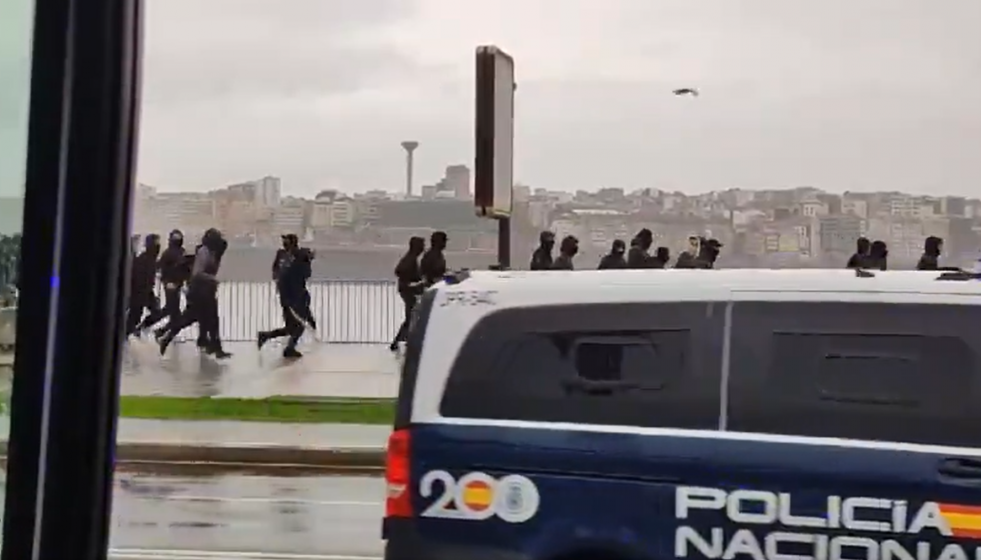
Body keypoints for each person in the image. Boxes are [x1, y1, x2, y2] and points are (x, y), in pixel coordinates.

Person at [157, 228, 231, 358]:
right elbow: (197, 273)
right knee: (191, 318)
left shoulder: (213, 252)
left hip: (206, 290)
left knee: (211, 319)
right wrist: (212, 279)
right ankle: (166, 337)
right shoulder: (204, 252)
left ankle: (215, 347)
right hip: (198, 291)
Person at [257, 234, 316, 358]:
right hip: (292, 296)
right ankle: (289, 348)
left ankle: (266, 335)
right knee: (299, 325)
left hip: (294, 295)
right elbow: (302, 273)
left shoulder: (295, 255)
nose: (284, 243)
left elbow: (303, 273)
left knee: (292, 327)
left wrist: (307, 260)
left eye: (286, 241)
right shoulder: (290, 255)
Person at [141, 229, 188, 337]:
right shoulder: (169, 252)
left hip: (175, 284)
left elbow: (182, 269)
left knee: (171, 311)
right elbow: (161, 267)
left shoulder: (179, 252)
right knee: (171, 311)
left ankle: (158, 331)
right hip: (171, 285)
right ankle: (152, 328)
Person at [389, 236, 426, 352]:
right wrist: (412, 283)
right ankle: (398, 342)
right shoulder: (410, 259)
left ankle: (401, 341)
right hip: (409, 292)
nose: (423, 249)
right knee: (410, 318)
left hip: (408, 291)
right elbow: (399, 271)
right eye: (422, 246)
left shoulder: (411, 258)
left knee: (410, 317)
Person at [126, 234, 162, 337]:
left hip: (146, 292)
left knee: (156, 312)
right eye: (156, 243)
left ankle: (138, 328)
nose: (158, 246)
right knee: (135, 316)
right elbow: (137, 278)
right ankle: (126, 334)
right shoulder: (143, 259)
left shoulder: (151, 259)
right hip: (139, 292)